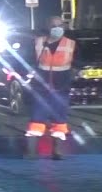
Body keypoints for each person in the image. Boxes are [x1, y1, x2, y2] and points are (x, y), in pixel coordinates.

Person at [25, 16, 77, 160]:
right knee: (36, 120)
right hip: (41, 88)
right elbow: (28, 60)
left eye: (59, 25)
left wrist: (73, 74)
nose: (57, 28)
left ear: (64, 27)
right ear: (48, 27)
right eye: (54, 25)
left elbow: (78, 62)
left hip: (61, 88)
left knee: (59, 121)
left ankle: (57, 151)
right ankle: (31, 152)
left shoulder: (71, 44)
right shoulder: (39, 43)